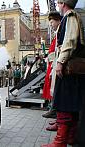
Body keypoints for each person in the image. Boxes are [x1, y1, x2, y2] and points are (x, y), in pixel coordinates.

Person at [41, 0, 85, 146]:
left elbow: (70, 41)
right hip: (70, 69)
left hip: (68, 68)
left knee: (64, 104)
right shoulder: (70, 17)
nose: (58, 6)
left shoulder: (70, 16)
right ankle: (70, 137)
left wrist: (60, 62)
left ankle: (59, 142)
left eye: (59, 3)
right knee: (70, 104)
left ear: (63, 4)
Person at [41, 11, 62, 131]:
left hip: (57, 64)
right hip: (54, 63)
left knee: (56, 91)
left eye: (52, 21)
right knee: (54, 90)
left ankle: (57, 115)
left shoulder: (59, 31)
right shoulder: (56, 32)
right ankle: (57, 115)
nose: (51, 24)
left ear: (57, 20)